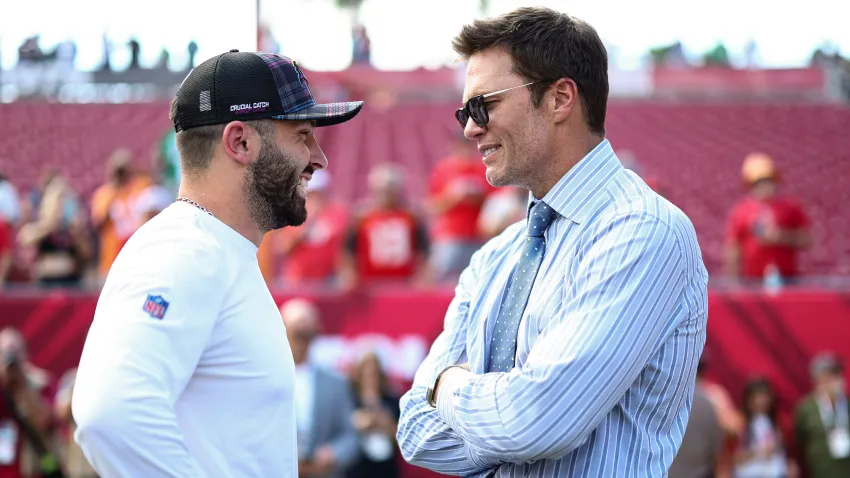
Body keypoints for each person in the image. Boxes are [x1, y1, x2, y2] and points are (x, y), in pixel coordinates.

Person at [396, 7, 708, 477]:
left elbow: (536, 422)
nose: (469, 127)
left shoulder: (644, 231)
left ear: (560, 98)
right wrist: (506, 419)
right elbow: (416, 432)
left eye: (484, 105)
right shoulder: (494, 257)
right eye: (465, 110)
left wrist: (446, 386)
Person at [71, 49, 363, 477]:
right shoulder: (184, 250)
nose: (319, 157)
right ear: (240, 142)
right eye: (302, 134)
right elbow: (110, 416)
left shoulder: (215, 250)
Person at [280, 299, 359, 478]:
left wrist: (333, 453)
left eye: (309, 333)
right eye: (298, 332)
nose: (304, 340)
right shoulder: (266, 379)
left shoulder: (335, 382)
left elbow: (350, 436)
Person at [724, 152, 811, 282]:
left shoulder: (790, 207)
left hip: (787, 278)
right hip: (753, 279)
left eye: (767, 180)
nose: (763, 186)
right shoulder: (741, 211)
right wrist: (733, 282)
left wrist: (780, 237)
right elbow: (733, 248)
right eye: (758, 182)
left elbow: (807, 238)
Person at [795, 353, 850, 478]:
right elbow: (800, 441)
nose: (834, 379)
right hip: (821, 470)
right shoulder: (806, 408)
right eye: (828, 375)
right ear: (817, 379)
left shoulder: (847, 404)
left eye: (836, 374)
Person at [346, 352, 401, 478]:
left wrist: (386, 423)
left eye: (374, 374)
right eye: (366, 374)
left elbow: (403, 437)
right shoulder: (350, 401)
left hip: (386, 468)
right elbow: (342, 431)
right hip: (356, 466)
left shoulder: (392, 401)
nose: (370, 378)